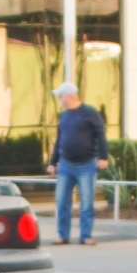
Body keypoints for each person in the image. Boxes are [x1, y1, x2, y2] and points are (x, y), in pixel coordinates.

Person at [51, 81, 106, 247]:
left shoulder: (90, 112)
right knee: (62, 201)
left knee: (87, 202)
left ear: (68, 96)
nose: (59, 99)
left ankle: (86, 235)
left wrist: (103, 157)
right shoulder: (64, 116)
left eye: (60, 96)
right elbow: (59, 139)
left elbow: (100, 135)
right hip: (66, 165)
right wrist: (53, 162)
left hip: (86, 165)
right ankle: (63, 235)